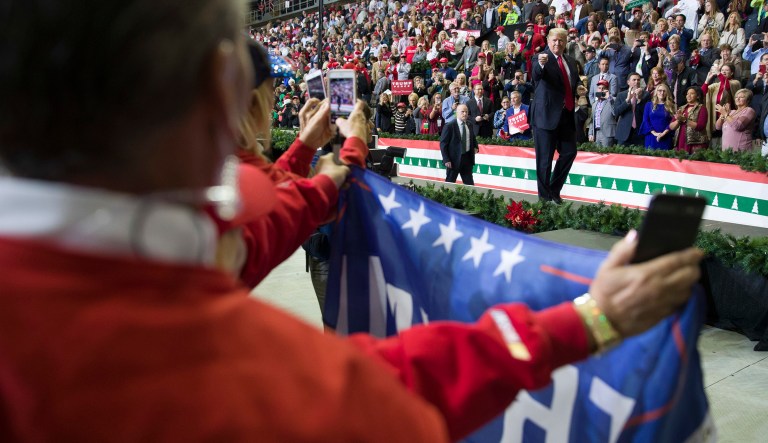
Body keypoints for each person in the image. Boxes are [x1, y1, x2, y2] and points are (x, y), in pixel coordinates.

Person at [0, 1, 707, 441]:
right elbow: (379, 390)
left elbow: (272, 216)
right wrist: (595, 320)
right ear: (222, 90)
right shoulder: (218, 379)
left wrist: (315, 152)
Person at [530, 28, 579, 204]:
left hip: (566, 115)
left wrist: (579, 90)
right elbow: (535, 76)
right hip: (545, 116)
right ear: (548, 42)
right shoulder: (540, 58)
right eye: (554, 40)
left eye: (561, 40)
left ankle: (553, 190)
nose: (557, 43)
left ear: (565, 42)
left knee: (569, 152)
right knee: (545, 160)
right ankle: (544, 199)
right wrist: (541, 64)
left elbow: (574, 83)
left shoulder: (571, 61)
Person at [440, 104, 478, 184]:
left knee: (469, 184)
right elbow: (443, 144)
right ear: (457, 113)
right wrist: (446, 159)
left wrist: (475, 146)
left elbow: (472, 137)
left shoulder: (469, 124)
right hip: (453, 160)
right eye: (462, 112)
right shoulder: (449, 126)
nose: (465, 114)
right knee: (450, 183)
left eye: (466, 112)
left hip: (467, 159)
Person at [614, 73, 649, 146]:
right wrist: (627, 101)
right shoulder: (621, 95)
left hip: (639, 132)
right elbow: (616, 112)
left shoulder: (646, 95)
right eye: (634, 80)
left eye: (638, 80)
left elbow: (647, 112)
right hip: (624, 133)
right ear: (628, 82)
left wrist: (639, 99)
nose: (637, 82)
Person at [671, 87, 709, 153]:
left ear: (698, 96)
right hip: (680, 141)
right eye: (687, 94)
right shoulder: (681, 108)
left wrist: (684, 119)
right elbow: (671, 127)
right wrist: (678, 120)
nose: (688, 95)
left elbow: (700, 126)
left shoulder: (702, 108)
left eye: (692, 93)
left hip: (696, 144)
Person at [639, 83, 677, 150]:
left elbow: (672, 122)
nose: (662, 93)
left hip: (666, 136)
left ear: (667, 93)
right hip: (651, 136)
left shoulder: (671, 106)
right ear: (656, 92)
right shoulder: (648, 105)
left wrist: (664, 133)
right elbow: (645, 120)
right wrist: (655, 133)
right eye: (659, 90)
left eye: (664, 91)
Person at [588, 79, 617, 147]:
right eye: (599, 88)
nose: (601, 90)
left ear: (607, 90)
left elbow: (615, 113)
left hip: (608, 133)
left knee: (607, 155)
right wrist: (590, 133)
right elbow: (592, 120)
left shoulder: (613, 100)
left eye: (603, 88)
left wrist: (609, 98)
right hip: (596, 133)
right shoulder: (594, 104)